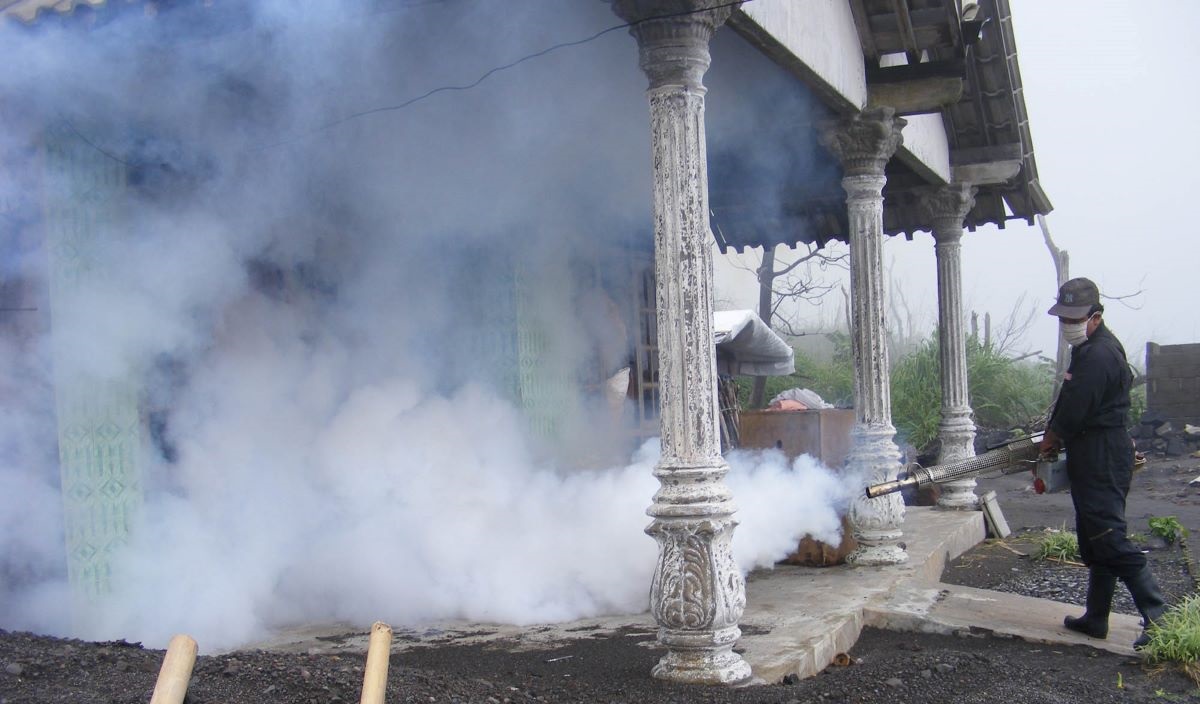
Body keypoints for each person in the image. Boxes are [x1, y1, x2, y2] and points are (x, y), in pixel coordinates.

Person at [1040, 277, 1166, 648]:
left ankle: (1161, 616)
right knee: (1095, 538)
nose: (1067, 325)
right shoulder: (1089, 349)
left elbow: (1077, 408)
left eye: (1074, 319)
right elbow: (1070, 400)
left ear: (1095, 316)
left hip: (1102, 452)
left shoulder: (1099, 355)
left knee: (1108, 536)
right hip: (1092, 449)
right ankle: (1096, 617)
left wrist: (1052, 437)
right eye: (1063, 318)